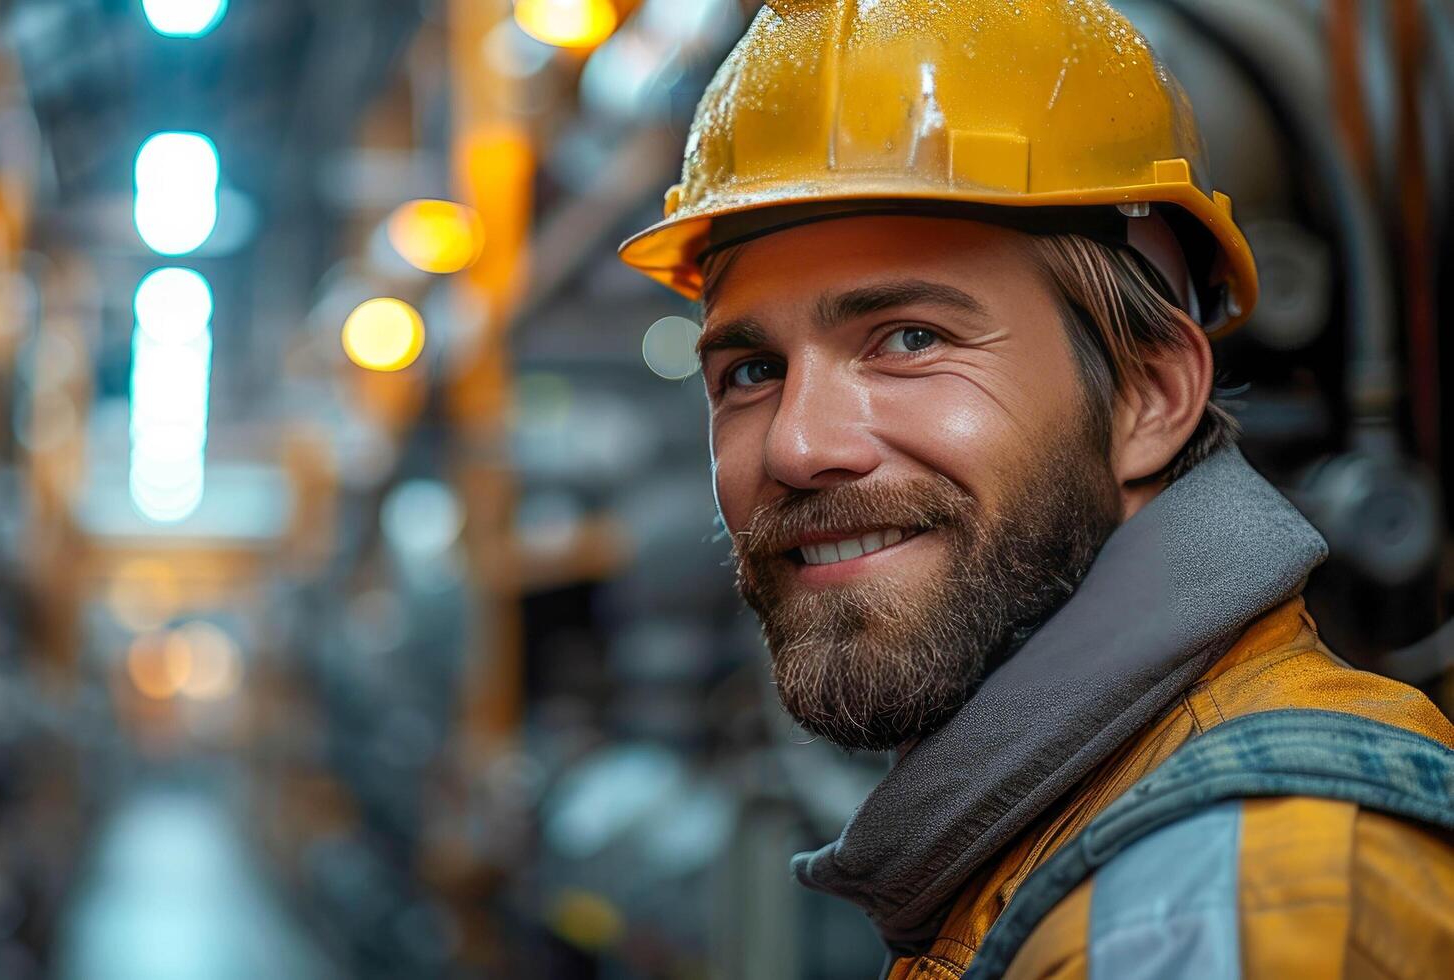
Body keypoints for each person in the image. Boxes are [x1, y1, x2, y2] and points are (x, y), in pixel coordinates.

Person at [616, 1, 1454, 976]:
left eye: (910, 338)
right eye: (751, 372)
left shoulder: (1232, 899)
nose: (800, 445)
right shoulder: (1050, 853)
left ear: (1150, 393)